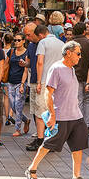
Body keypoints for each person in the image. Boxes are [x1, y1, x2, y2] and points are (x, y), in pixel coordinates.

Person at [27, 41, 89, 179]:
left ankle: (76, 177)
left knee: (78, 146)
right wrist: (52, 116)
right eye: (78, 53)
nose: (80, 57)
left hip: (76, 115)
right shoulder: (56, 68)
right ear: (68, 53)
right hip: (61, 115)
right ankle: (31, 169)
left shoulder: (72, 69)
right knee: (49, 144)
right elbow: (48, 93)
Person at [31, 16, 65, 151]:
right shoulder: (61, 43)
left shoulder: (43, 43)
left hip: (45, 80)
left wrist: (38, 82)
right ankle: (52, 140)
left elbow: (40, 62)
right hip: (57, 82)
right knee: (53, 112)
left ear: (40, 34)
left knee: (40, 113)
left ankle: (41, 140)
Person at [72, 21, 89, 132]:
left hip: (74, 76)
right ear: (84, 31)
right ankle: (86, 125)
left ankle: (79, 124)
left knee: (79, 100)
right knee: (88, 101)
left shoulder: (70, 43)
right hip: (88, 75)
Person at [6, 32, 31, 138]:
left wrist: (22, 84)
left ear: (24, 41)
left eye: (18, 40)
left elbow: (26, 70)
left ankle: (17, 129)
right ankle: (26, 120)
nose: (16, 42)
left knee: (19, 105)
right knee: (13, 106)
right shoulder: (11, 51)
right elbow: (6, 65)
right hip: (10, 81)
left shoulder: (26, 53)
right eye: (15, 40)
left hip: (21, 82)